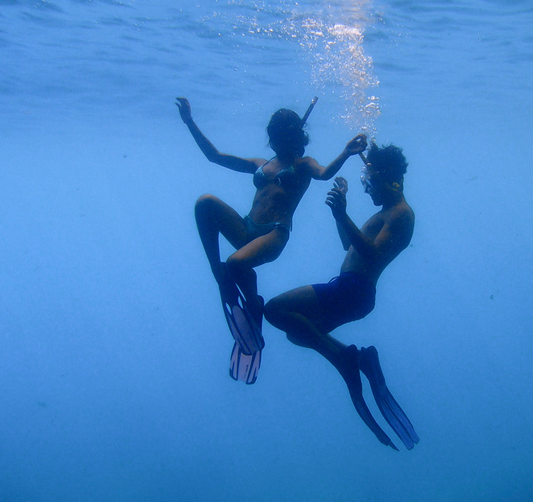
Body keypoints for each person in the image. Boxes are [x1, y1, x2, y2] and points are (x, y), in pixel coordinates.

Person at [175, 97, 367, 383]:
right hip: (246, 228)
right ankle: (220, 276)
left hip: (275, 233)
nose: (272, 140)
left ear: (288, 136)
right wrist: (190, 122)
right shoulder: (261, 163)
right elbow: (214, 156)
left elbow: (324, 174)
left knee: (236, 263)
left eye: (277, 135)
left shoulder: (303, 164)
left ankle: (253, 305)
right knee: (205, 204)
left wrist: (346, 153)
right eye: (271, 135)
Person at [264, 142, 419, 450]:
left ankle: (343, 359)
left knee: (274, 311)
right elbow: (346, 245)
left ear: (392, 180)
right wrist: (340, 213)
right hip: (352, 290)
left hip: (353, 289)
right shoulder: (387, 212)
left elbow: (372, 256)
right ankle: (357, 359)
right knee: (298, 334)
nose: (367, 190)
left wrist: (344, 214)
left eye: (370, 183)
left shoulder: (401, 214)